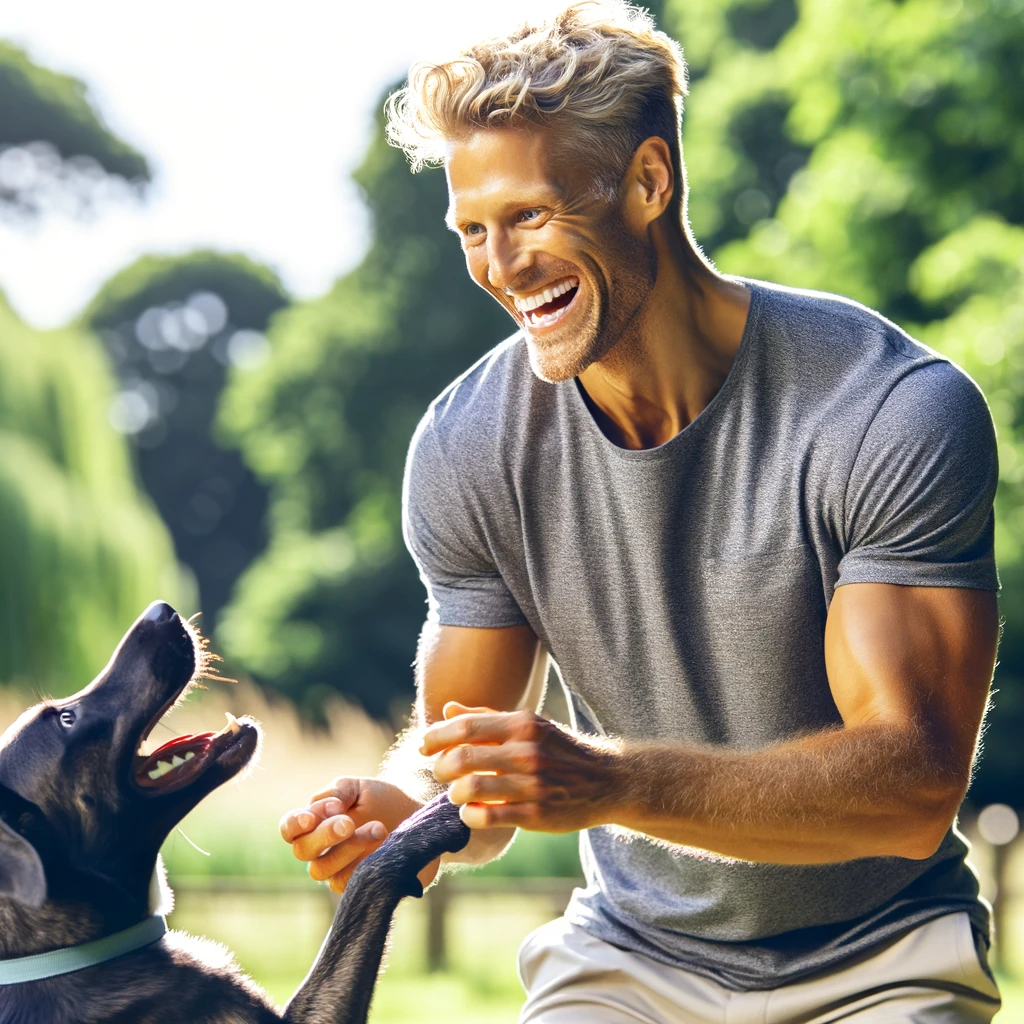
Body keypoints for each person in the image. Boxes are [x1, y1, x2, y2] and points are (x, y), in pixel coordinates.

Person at [279, 3, 1003, 1020]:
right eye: (473, 231)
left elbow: (910, 789)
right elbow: (475, 767)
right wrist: (408, 803)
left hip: (879, 959)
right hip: (628, 961)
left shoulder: (887, 410)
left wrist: (611, 780)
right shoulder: (467, 446)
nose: (500, 265)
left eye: (530, 216)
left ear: (648, 182)